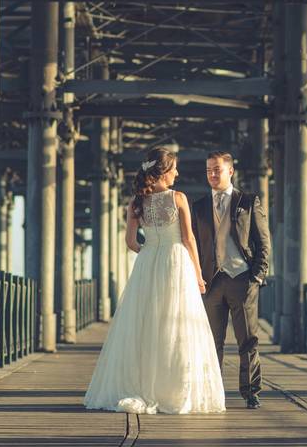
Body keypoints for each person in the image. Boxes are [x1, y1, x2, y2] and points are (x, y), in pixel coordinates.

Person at [83, 147, 225, 415]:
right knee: (177, 323)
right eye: (175, 168)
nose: (178, 173)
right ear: (164, 171)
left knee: (146, 324)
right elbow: (188, 239)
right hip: (176, 262)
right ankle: (172, 388)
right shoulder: (178, 198)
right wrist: (198, 275)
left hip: (148, 263)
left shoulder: (136, 202)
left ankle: (143, 384)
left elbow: (130, 242)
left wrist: (149, 252)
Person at [191, 151, 271, 409]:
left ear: (230, 171)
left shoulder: (248, 201)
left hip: (242, 279)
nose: (212, 174)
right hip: (211, 282)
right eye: (208, 170)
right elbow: (193, 245)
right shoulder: (199, 206)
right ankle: (214, 393)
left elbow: (263, 243)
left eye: (216, 169)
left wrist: (257, 276)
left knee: (247, 340)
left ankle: (251, 392)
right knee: (211, 342)